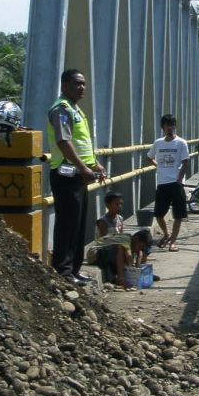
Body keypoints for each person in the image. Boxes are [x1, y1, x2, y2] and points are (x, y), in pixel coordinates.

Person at [47, 68, 106, 284]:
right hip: (66, 175)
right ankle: (63, 271)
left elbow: (82, 144)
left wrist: (95, 164)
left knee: (79, 224)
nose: (82, 88)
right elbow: (64, 142)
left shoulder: (76, 110)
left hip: (78, 176)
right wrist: (83, 168)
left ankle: (75, 269)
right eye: (77, 84)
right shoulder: (61, 109)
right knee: (67, 224)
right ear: (64, 86)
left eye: (83, 84)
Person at [147, 114, 191, 251]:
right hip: (162, 183)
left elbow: (185, 162)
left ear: (175, 126)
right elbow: (149, 157)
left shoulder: (181, 143)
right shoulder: (158, 143)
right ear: (163, 127)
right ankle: (166, 234)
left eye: (172, 125)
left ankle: (173, 242)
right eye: (167, 125)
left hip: (175, 183)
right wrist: (158, 166)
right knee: (159, 214)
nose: (170, 127)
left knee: (178, 214)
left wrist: (179, 179)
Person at [87, 191, 135, 290]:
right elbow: (103, 241)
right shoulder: (103, 221)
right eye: (117, 204)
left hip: (116, 248)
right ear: (108, 205)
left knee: (130, 242)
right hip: (100, 251)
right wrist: (122, 240)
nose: (120, 206)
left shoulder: (120, 219)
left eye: (121, 204)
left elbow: (121, 236)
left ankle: (134, 271)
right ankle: (121, 277)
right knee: (122, 244)